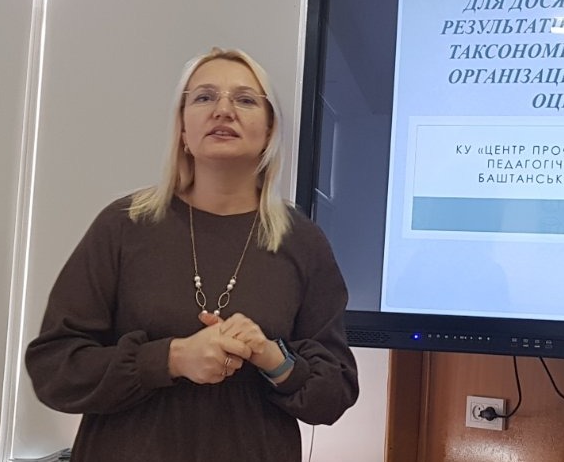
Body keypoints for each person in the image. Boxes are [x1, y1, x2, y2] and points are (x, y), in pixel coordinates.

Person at [26, 47, 358, 461]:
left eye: (245, 99)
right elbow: (54, 368)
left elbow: (335, 393)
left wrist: (273, 358)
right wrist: (170, 359)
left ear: (270, 129)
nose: (223, 110)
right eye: (204, 97)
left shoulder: (302, 242)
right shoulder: (124, 226)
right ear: (183, 128)